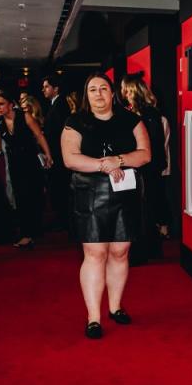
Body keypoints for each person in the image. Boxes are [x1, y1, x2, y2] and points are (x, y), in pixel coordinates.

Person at [61, 72, 151, 339]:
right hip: (89, 192)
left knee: (121, 251)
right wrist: (104, 165)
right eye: (92, 90)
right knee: (96, 253)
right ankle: (93, 318)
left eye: (103, 88)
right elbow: (70, 159)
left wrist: (119, 160)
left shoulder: (131, 119)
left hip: (126, 191)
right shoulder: (75, 121)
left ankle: (115, 306)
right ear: (86, 95)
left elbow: (145, 154)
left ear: (113, 93)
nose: (98, 93)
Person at [0, 89, 52, 248]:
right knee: (20, 197)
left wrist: (48, 155)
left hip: (30, 161)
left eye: (1, 104)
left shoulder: (24, 116)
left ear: (11, 104)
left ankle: (33, 231)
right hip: (14, 163)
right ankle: (27, 234)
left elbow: (39, 136)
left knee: (33, 196)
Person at [120, 72, 171, 261]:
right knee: (144, 210)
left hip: (143, 169)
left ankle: (144, 251)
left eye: (124, 89)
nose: (122, 93)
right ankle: (149, 250)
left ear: (130, 91)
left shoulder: (144, 116)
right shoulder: (151, 115)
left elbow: (152, 146)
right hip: (147, 169)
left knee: (143, 210)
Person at [42, 75, 72, 231]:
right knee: (59, 188)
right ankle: (62, 220)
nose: (43, 89)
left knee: (60, 188)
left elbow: (61, 133)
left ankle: (64, 222)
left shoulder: (60, 105)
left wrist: (53, 155)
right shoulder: (56, 104)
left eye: (47, 86)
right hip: (57, 153)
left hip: (59, 155)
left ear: (56, 89)